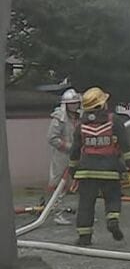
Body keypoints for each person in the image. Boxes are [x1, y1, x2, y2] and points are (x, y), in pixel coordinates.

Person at [68, 87, 130, 246]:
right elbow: (125, 145)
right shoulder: (114, 121)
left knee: (85, 204)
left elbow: (75, 150)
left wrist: (73, 169)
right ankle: (112, 220)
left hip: (86, 172)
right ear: (102, 104)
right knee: (112, 197)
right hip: (110, 171)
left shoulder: (81, 125)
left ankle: (84, 237)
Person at [47, 88, 82, 226]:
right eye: (72, 103)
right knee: (58, 185)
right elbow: (52, 138)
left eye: (76, 103)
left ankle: (84, 213)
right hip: (62, 156)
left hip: (79, 155)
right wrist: (69, 147)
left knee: (82, 183)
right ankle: (57, 214)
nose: (75, 106)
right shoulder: (59, 118)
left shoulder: (81, 117)